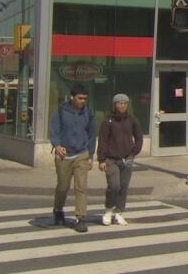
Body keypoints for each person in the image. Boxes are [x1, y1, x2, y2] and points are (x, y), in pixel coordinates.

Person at [49, 84, 95, 233]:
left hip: (82, 154)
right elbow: (54, 130)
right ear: (72, 97)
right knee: (63, 187)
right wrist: (57, 146)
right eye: (80, 98)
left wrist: (91, 155)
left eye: (85, 99)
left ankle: (80, 218)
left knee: (81, 187)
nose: (83, 101)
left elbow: (92, 134)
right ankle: (58, 209)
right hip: (64, 155)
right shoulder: (62, 111)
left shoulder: (88, 112)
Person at [97, 93, 143, 226]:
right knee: (114, 186)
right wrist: (101, 159)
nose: (123, 105)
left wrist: (133, 153)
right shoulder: (108, 121)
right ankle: (108, 210)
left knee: (123, 187)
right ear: (114, 105)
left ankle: (119, 212)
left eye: (125, 103)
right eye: (120, 103)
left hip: (127, 159)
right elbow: (103, 140)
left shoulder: (132, 120)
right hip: (111, 159)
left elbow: (139, 136)